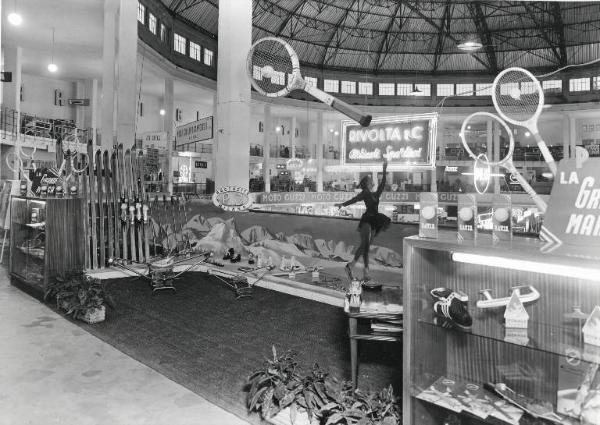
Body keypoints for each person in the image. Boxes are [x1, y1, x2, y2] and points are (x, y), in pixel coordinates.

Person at [335, 158, 391, 282]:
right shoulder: (365, 193)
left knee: (365, 245)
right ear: (367, 183)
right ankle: (366, 272)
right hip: (367, 220)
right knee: (365, 245)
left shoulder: (375, 194)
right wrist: (342, 205)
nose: (372, 180)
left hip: (375, 221)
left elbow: (382, 183)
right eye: (370, 179)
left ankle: (350, 266)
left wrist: (384, 168)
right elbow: (355, 199)